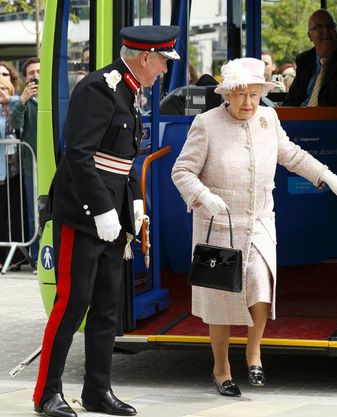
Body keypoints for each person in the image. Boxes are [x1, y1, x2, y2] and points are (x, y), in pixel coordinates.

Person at [171, 57, 337, 397]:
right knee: (220, 301)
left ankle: (254, 353)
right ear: (227, 95)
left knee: (261, 285)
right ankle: (221, 367)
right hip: (219, 226)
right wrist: (203, 196)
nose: (248, 102)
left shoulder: (268, 117)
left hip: (259, 221)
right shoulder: (206, 124)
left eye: (254, 94)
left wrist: (325, 175)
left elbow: (292, 155)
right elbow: (182, 172)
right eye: (241, 95)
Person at [32, 25, 180, 417]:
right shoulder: (100, 87)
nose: (165, 69)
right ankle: (47, 394)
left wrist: (133, 203)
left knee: (106, 308)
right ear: (145, 58)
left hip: (113, 217)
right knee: (71, 304)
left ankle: (98, 391)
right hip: (83, 214)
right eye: (164, 61)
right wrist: (100, 209)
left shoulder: (129, 90)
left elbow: (125, 158)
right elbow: (79, 156)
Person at [283, 9, 337, 107]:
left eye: (330, 26)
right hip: (300, 118)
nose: (326, 31)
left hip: (331, 120)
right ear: (309, 36)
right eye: (319, 27)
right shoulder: (305, 60)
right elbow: (291, 100)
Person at [10, 57, 40, 273]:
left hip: (56, 163)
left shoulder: (54, 97)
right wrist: (22, 101)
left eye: (38, 71)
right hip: (32, 167)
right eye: (31, 73)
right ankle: (38, 257)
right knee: (34, 216)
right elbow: (15, 125)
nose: (35, 76)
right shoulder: (23, 102)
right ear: (25, 77)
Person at [0, 76, 26, 271]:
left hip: (18, 168)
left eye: (4, 86)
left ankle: (18, 257)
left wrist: (13, 101)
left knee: (16, 212)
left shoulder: (19, 102)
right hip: (3, 169)